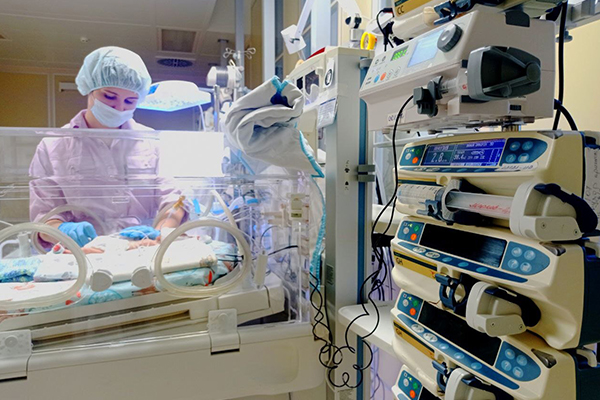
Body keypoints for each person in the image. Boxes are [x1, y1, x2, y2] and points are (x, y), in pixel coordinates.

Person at [29, 46, 185, 251]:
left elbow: (174, 199)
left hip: (144, 249)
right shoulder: (54, 145)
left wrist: (163, 230)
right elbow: (43, 217)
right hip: (85, 255)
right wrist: (65, 232)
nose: (119, 108)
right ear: (90, 88)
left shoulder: (151, 141)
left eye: (130, 101)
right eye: (109, 97)